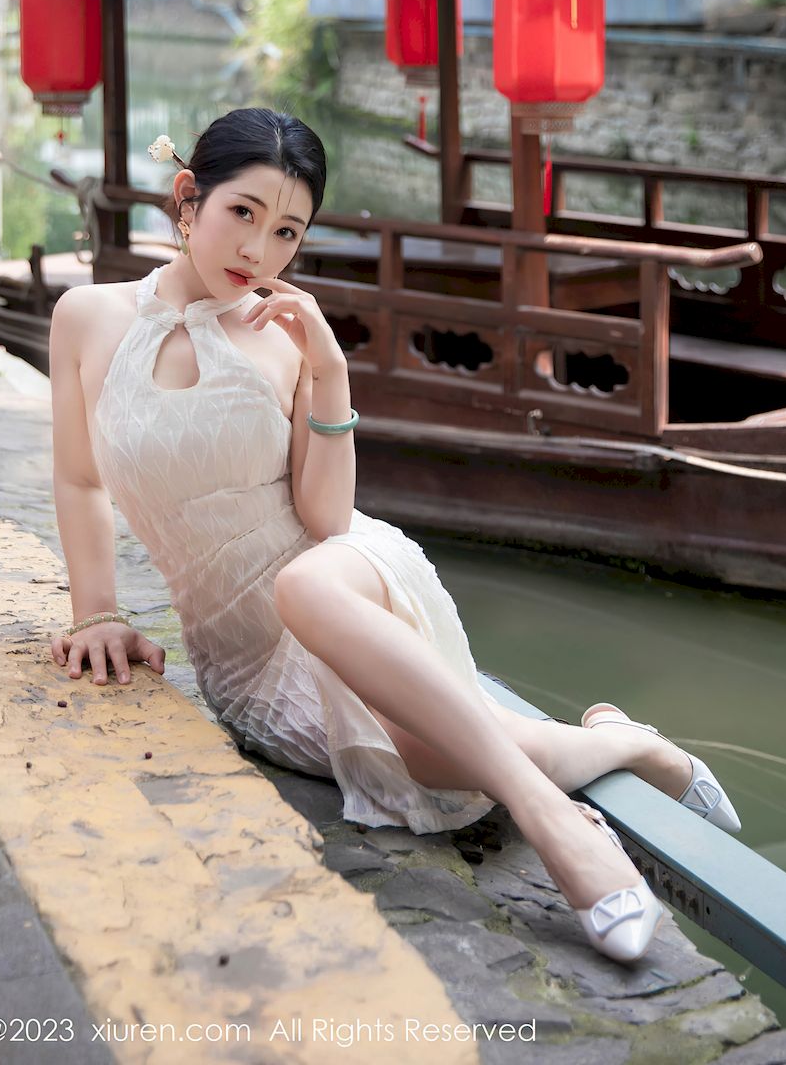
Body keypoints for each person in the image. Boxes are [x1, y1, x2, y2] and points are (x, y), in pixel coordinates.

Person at [47, 106, 740, 965]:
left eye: (287, 231)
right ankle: (627, 742)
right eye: (242, 213)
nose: (258, 250)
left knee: (303, 583)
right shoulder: (87, 316)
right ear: (189, 197)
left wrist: (331, 370)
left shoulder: (286, 343)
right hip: (247, 666)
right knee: (426, 759)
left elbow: (327, 524)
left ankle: (559, 828)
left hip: (340, 582)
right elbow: (79, 479)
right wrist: (97, 614)